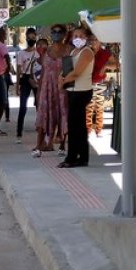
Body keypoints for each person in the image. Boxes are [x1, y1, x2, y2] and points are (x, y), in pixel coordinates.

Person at [58, 25, 96, 168]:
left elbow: (76, 73)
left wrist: (63, 82)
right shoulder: (74, 51)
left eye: (81, 36)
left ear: (86, 37)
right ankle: (79, 156)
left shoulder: (87, 52)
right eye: (75, 36)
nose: (77, 38)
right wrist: (60, 79)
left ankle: (74, 157)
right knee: (76, 125)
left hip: (82, 91)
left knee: (76, 126)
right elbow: (66, 69)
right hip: (72, 90)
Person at [34, 25, 69, 157]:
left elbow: (69, 72)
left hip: (61, 88)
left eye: (59, 32)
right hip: (46, 88)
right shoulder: (46, 51)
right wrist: (39, 92)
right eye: (54, 32)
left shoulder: (68, 51)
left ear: (64, 34)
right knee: (43, 115)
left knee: (62, 115)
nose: (56, 34)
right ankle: (39, 145)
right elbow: (43, 72)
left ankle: (62, 145)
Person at [13, 28, 40, 143]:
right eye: (29, 38)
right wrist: (17, 86)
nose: (31, 40)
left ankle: (41, 131)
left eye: (33, 38)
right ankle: (19, 134)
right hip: (25, 79)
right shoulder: (21, 54)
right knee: (23, 107)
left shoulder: (39, 53)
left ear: (36, 38)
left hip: (36, 80)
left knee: (39, 106)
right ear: (26, 38)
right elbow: (19, 71)